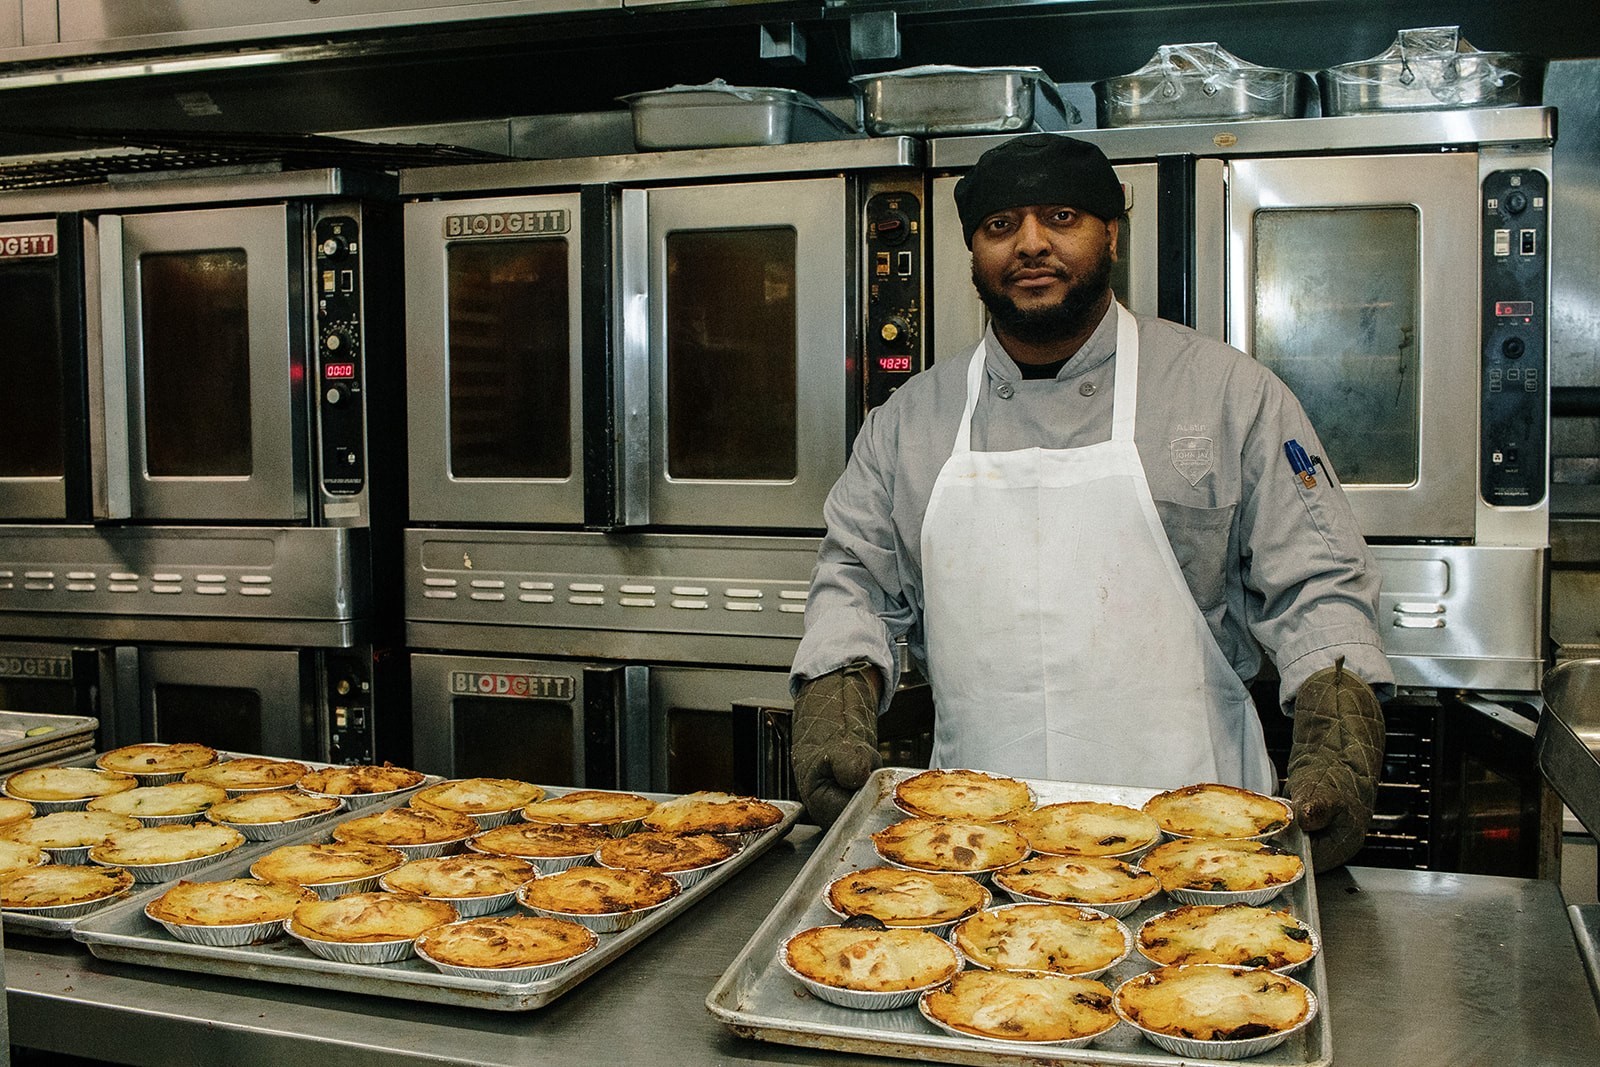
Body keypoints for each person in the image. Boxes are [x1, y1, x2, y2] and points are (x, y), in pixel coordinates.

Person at [789, 134, 1393, 871]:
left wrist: (1337, 726)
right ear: (974, 251)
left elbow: (1318, 582)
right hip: (976, 855)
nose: (1031, 245)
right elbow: (855, 576)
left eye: (1062, 216)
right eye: (1001, 226)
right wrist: (836, 691)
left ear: (1112, 231)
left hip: (1204, 855)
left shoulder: (1230, 395)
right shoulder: (907, 424)